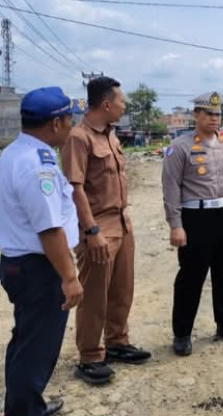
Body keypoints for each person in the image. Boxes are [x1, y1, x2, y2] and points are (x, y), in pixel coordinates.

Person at [61, 76, 151, 385]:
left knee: (122, 289)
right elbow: (76, 189)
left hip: (122, 223)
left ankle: (117, 342)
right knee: (94, 295)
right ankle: (90, 357)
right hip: (98, 226)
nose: (125, 107)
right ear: (107, 103)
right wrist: (91, 230)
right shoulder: (79, 137)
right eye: (122, 102)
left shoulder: (111, 136)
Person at [0, 87, 84, 416]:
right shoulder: (39, 166)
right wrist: (69, 277)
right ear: (55, 123)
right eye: (68, 120)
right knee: (37, 347)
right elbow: (48, 229)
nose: (70, 127)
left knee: (25, 340)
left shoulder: (12, 154)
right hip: (39, 267)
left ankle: (23, 405)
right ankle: (25, 411)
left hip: (17, 263)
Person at [162, 91, 223, 356]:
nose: (215, 118)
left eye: (218, 113)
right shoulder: (179, 148)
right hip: (196, 219)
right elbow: (170, 189)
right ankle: (182, 333)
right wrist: (175, 225)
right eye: (209, 113)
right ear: (196, 115)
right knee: (191, 277)